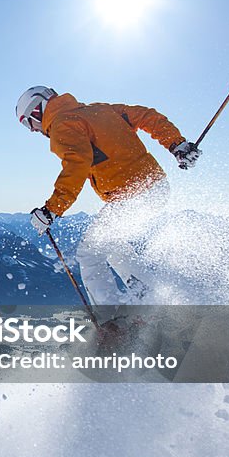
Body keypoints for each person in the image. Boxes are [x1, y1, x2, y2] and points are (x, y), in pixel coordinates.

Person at [17, 85, 201, 305]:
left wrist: (52, 210)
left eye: (28, 123)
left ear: (37, 110)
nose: (34, 130)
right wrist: (177, 144)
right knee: (111, 245)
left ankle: (113, 320)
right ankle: (148, 294)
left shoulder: (62, 124)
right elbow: (146, 116)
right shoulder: (100, 110)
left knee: (90, 254)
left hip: (132, 195)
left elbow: (77, 164)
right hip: (156, 187)